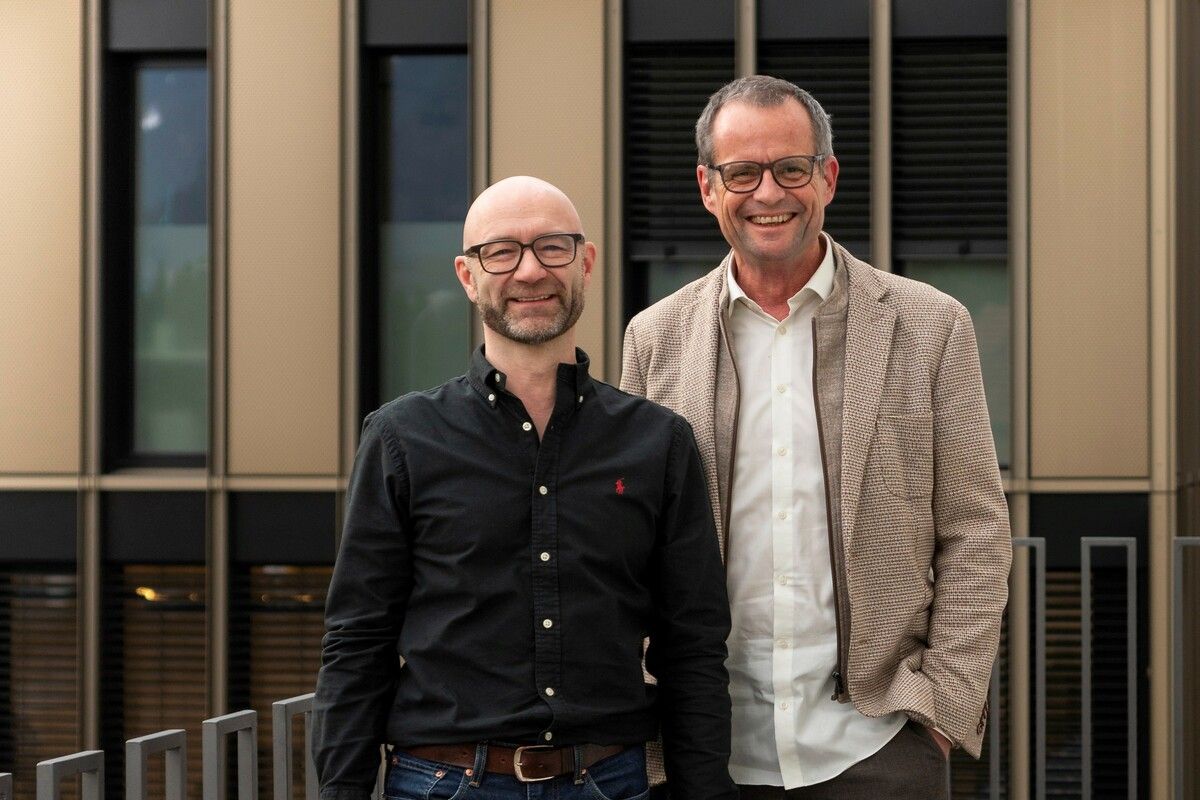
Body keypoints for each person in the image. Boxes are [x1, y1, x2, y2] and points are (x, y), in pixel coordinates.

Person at [620, 75, 1011, 799]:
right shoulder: (655, 338)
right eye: (742, 172)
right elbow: (630, 541)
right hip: (704, 753)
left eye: (790, 168)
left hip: (879, 749)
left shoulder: (931, 327)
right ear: (708, 188)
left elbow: (977, 530)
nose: (768, 193)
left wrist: (942, 709)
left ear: (827, 177)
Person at [313, 176, 737, 800]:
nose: (531, 271)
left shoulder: (659, 443)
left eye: (553, 247)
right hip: (442, 783)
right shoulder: (401, 439)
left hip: (610, 782)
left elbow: (693, 645)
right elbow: (358, 641)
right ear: (467, 275)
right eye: (502, 252)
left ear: (586, 263)